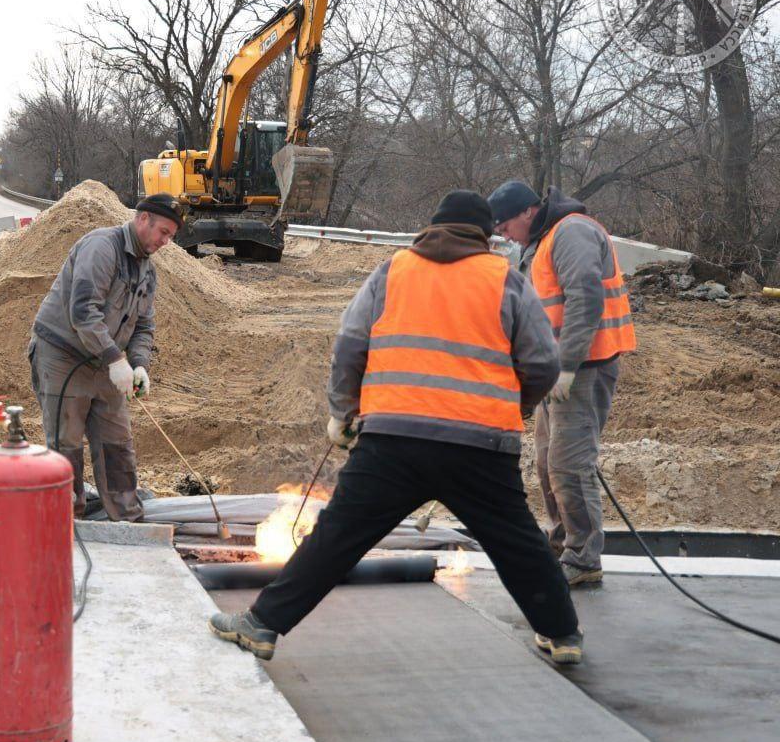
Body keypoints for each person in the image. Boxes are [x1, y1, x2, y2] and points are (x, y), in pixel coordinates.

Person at [210, 191, 585, 664]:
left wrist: (342, 412)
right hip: (482, 446)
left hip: (392, 442)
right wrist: (516, 407)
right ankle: (562, 635)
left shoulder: (393, 271)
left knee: (336, 538)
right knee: (519, 544)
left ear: (430, 228)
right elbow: (543, 363)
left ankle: (262, 625)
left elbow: (349, 345)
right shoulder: (505, 278)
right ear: (485, 235)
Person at [488, 181, 637, 586]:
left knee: (570, 465)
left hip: (584, 369)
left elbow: (585, 300)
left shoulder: (571, 232)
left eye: (505, 227)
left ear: (526, 212)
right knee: (546, 461)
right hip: (555, 372)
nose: (505, 236)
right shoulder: (539, 242)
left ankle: (584, 558)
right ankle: (561, 542)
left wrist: (567, 366)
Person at [28, 193, 182, 521]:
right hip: (63, 356)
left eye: (170, 236)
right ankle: (68, 522)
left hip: (104, 359)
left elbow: (144, 325)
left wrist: (139, 365)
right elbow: (83, 311)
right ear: (143, 219)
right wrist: (115, 359)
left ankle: (126, 517)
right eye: (163, 232)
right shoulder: (102, 247)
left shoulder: (147, 271)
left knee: (117, 441)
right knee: (66, 442)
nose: (166, 241)